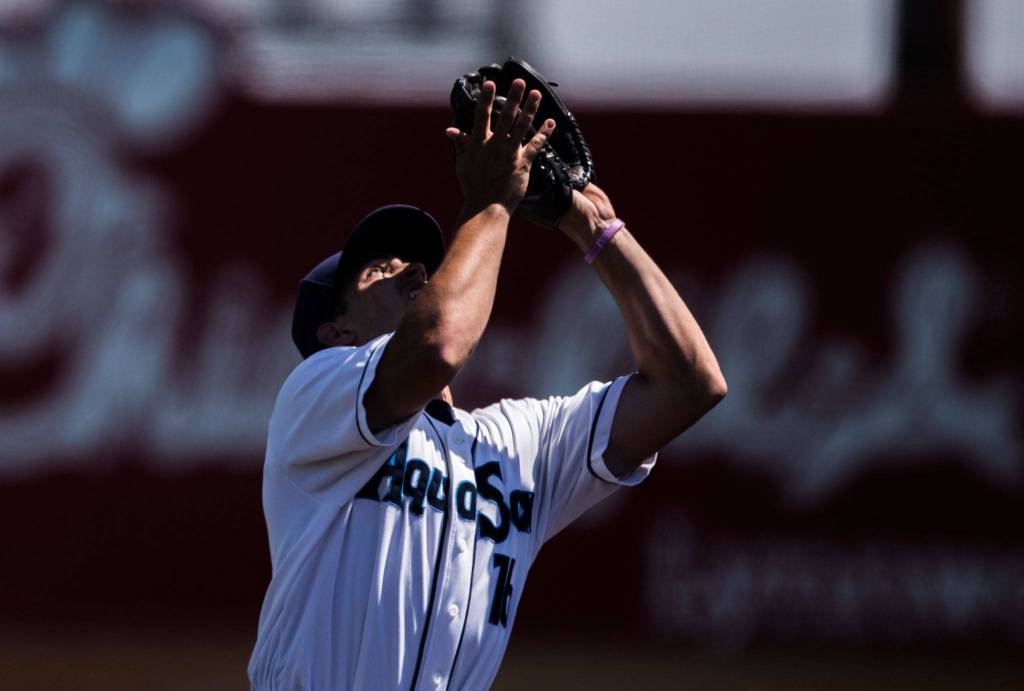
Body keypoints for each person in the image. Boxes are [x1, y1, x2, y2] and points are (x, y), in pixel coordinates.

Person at [248, 78, 726, 691]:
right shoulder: (315, 398)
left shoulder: (516, 445)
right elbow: (437, 347)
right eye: (377, 269)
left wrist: (596, 229)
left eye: (419, 261)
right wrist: (490, 203)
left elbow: (690, 384)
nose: (411, 267)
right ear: (337, 331)